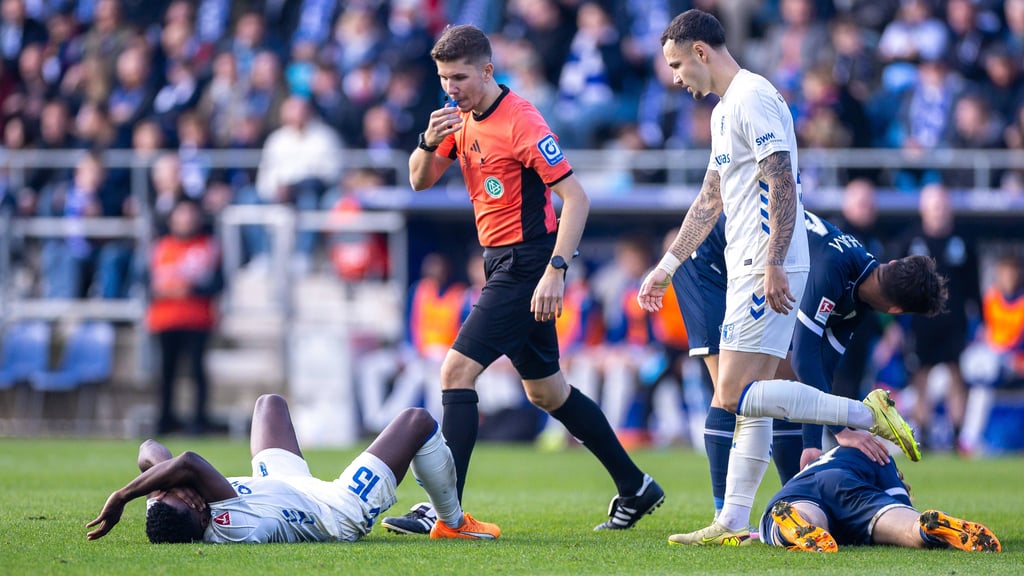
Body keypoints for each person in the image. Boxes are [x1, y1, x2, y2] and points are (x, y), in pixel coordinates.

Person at [640, 9, 919, 546]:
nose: (675, 77)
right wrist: (668, 265)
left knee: (734, 394)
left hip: (763, 263)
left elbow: (782, 181)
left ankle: (865, 413)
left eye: (677, 65)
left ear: (700, 52)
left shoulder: (753, 97)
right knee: (754, 399)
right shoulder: (725, 110)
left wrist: (773, 262)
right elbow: (710, 198)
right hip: (749, 261)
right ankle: (734, 520)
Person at [386, 24, 663, 535]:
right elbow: (419, 180)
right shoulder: (457, 117)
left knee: (455, 372)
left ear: (488, 70)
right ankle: (635, 485)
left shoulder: (521, 120)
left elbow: (576, 198)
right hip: (499, 260)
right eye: (444, 77)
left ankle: (446, 512)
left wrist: (556, 270)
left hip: (527, 263)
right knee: (548, 393)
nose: (450, 87)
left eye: (460, 77)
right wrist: (427, 140)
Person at [86, 394, 500, 543]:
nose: (182, 489)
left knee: (269, 403)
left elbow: (149, 449)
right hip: (335, 510)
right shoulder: (232, 524)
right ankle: (452, 522)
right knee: (417, 421)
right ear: (201, 514)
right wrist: (122, 495)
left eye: (170, 490)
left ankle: (447, 519)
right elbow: (187, 461)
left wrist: (162, 488)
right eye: (183, 493)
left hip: (282, 489)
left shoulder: (176, 509)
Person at [759, 447, 1001, 553]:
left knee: (806, 515)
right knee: (907, 526)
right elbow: (902, 506)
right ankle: (929, 529)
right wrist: (899, 499)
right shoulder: (883, 460)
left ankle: (795, 523)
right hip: (845, 484)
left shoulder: (836, 455)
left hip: (796, 490)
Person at [147, 199, 223, 436]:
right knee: (166, 373)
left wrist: (190, 289)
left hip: (197, 319)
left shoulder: (208, 246)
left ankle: (199, 420)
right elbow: (146, 281)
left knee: (197, 372)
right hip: (165, 319)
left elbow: (218, 283)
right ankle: (165, 420)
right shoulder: (160, 247)